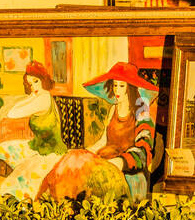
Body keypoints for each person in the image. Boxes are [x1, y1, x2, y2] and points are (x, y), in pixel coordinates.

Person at [39, 61, 158, 204]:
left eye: (121, 86)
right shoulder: (114, 109)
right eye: (114, 85)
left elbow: (144, 150)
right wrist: (84, 153)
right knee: (74, 158)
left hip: (128, 168)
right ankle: (54, 205)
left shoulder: (142, 111)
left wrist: (120, 162)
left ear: (131, 87)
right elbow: (103, 141)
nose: (117, 90)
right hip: (105, 160)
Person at [0, 62, 65, 197]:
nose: (33, 87)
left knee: (21, 179)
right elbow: (17, 108)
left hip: (49, 151)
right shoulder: (39, 96)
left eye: (36, 81)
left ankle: (13, 178)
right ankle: (8, 166)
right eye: (30, 84)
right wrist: (32, 95)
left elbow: (13, 113)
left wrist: (32, 97)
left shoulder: (43, 99)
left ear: (43, 80)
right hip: (37, 144)